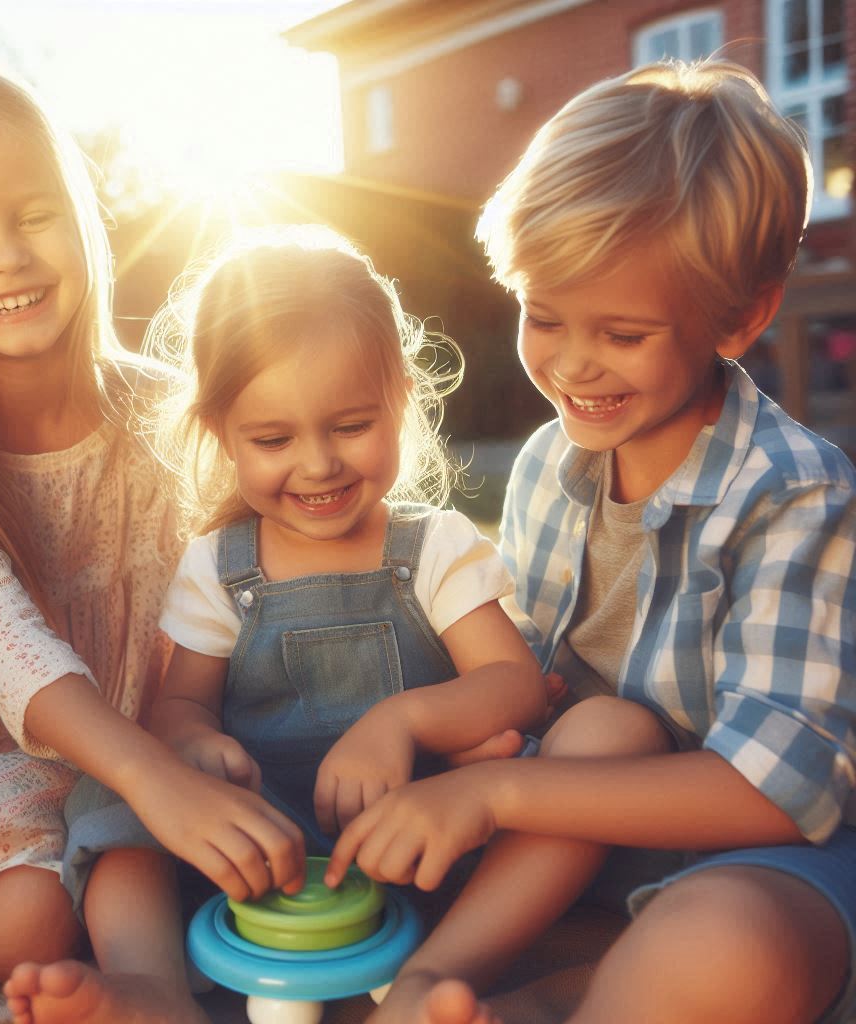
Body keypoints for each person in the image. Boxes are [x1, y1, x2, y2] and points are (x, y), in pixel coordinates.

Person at [326, 58, 856, 1024]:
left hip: (752, 859)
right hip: (577, 844)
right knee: (606, 728)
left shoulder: (796, 494)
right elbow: (541, 694)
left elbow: (784, 792)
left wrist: (500, 796)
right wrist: (469, 738)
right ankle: (430, 992)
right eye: (544, 316)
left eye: (622, 332)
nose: (571, 364)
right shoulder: (548, 466)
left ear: (740, 316)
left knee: (725, 950)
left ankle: (549, 998)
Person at [0, 56, 308, 1024]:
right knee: (35, 906)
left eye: (34, 214)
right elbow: (7, 648)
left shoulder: (173, 414)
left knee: (53, 889)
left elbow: (269, 570)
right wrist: (152, 778)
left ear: (82, 219)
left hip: (132, 740)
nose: (4, 256)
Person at [3, 224, 568, 1024]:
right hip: (262, 839)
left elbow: (514, 686)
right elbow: (180, 708)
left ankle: (454, 967)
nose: (318, 464)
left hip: (420, 834)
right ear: (221, 434)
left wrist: (402, 719)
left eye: (350, 426)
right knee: (110, 790)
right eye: (273, 439)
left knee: (548, 789)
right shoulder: (218, 567)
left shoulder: (433, 548)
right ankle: (149, 986)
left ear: (401, 400)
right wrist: (196, 745)